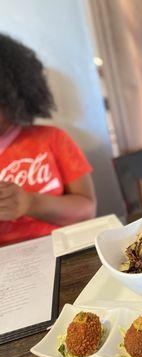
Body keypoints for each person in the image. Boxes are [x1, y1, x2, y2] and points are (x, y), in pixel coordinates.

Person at [0, 33, 97, 245]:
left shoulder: (52, 139)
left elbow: (87, 209)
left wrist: (30, 203)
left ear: (13, 95)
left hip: (63, 251)